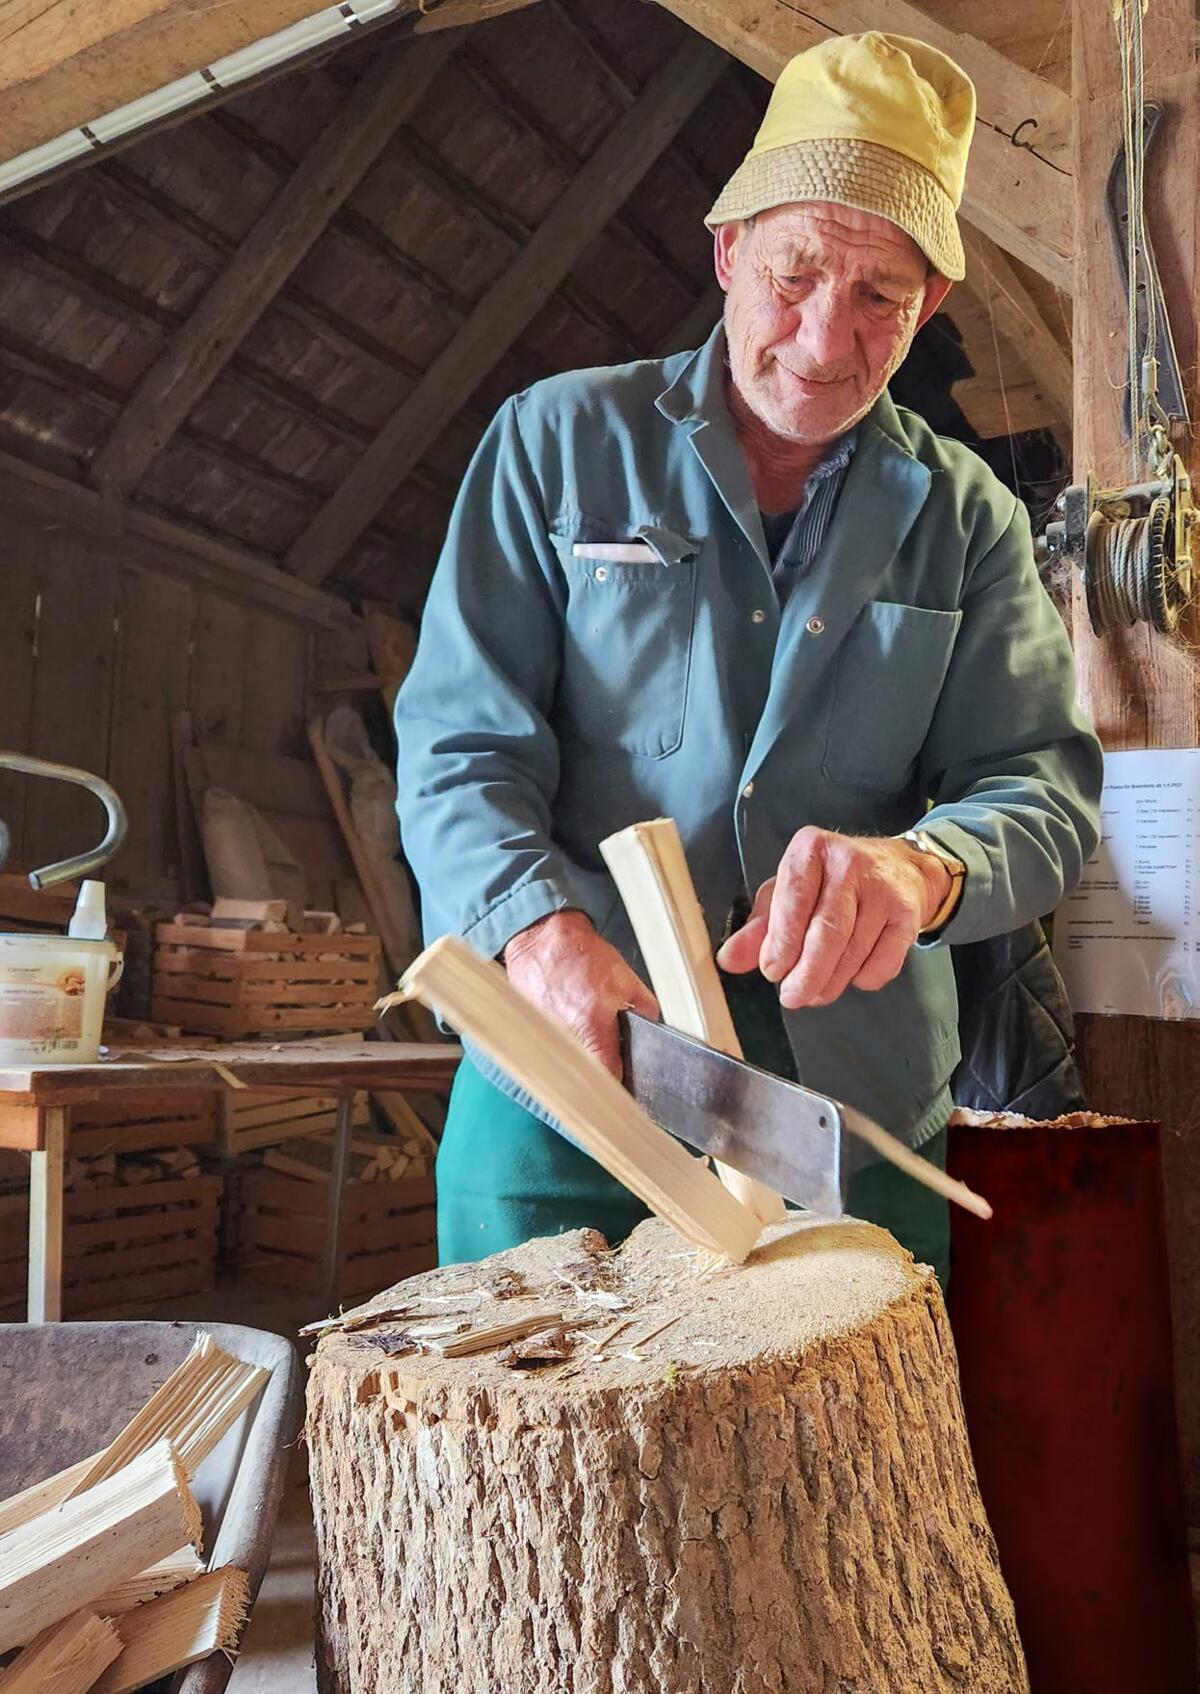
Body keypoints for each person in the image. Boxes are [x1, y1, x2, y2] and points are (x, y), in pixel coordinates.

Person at [395, 31, 1103, 1286]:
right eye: (796, 271)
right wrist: (537, 931)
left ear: (930, 303)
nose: (826, 340)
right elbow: (460, 745)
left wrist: (924, 868)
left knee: (850, 1462)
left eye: (882, 295)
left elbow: (1041, 794)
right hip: (570, 1071)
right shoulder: (555, 443)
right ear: (728, 252)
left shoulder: (968, 516)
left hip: (857, 1112)